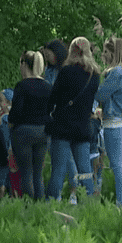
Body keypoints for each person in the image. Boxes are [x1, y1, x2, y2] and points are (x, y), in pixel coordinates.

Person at [45, 37, 101, 202]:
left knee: (59, 168)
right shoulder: (94, 75)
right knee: (84, 169)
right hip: (83, 126)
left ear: (72, 51)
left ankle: (51, 201)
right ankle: (88, 201)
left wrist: (49, 112)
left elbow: (54, 96)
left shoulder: (66, 71)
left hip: (63, 125)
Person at [95, 36, 122, 208]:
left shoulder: (116, 73)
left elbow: (100, 95)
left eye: (105, 51)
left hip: (114, 123)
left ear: (113, 53)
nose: (102, 55)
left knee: (117, 165)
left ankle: (121, 204)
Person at [8, 51, 52, 200]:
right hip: (43, 131)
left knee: (26, 171)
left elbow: (15, 113)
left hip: (24, 132)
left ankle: (28, 204)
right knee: (37, 172)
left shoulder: (22, 86)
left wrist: (11, 124)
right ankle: (40, 203)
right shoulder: (47, 86)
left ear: (24, 64)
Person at [41, 39, 78, 200]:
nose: (48, 58)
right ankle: (55, 194)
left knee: (68, 157)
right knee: (55, 156)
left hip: (65, 116)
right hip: (51, 116)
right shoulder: (48, 72)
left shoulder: (68, 69)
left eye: (49, 55)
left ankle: (73, 191)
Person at [0, 89, 13, 198]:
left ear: (9, 102)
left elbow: (3, 135)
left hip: (4, 153)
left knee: (1, 181)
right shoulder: (16, 117)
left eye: (0, 101)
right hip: (14, 152)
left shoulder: (4, 118)